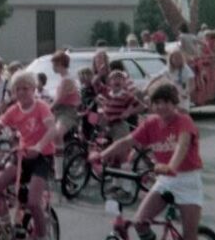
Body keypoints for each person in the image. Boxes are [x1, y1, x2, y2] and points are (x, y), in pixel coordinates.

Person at [97, 83, 204, 240]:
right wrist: (101, 155)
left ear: (174, 103)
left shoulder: (184, 120)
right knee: (140, 223)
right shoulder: (151, 123)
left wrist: (170, 166)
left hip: (188, 181)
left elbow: (183, 144)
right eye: (157, 102)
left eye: (166, 102)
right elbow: (127, 141)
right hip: (165, 180)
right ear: (152, 105)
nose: (162, 106)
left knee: (189, 236)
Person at [0, 71, 56, 240]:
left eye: (26, 88)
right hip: (21, 156)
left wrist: (39, 146)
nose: (22, 92)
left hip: (41, 157)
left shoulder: (41, 107)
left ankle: (41, 235)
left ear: (33, 89)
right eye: (18, 89)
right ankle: (6, 225)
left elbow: (52, 129)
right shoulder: (13, 110)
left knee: (33, 201)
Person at [50, 50, 81, 179]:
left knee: (57, 134)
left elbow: (60, 99)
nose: (52, 67)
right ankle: (54, 165)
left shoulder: (67, 80)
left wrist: (48, 108)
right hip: (59, 111)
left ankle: (59, 172)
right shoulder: (63, 79)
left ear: (60, 64)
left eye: (54, 64)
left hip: (67, 112)